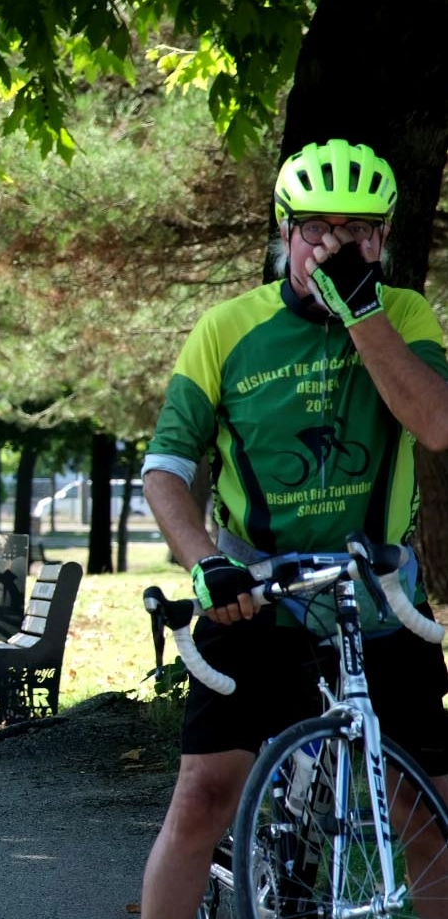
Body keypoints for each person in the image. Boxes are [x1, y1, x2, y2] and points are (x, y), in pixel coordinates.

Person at [138, 138, 448, 918]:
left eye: (357, 230)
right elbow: (165, 469)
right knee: (201, 798)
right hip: (252, 599)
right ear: (284, 231)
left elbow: (434, 424)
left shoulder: (403, 314)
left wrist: (361, 312)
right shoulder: (225, 328)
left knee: (428, 813)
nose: (334, 246)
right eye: (316, 228)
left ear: (382, 236)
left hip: (375, 602)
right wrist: (204, 562)